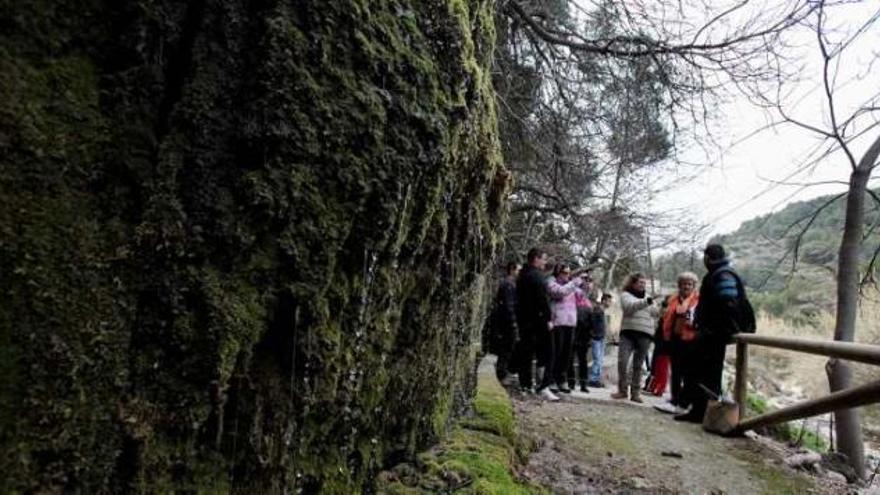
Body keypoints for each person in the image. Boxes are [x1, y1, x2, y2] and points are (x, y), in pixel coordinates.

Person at [675, 244, 750, 423]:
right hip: (711, 333)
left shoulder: (723, 275)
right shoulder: (718, 274)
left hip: (714, 334)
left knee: (707, 372)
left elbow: (728, 303)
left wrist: (718, 330)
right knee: (701, 371)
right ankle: (699, 411)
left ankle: (702, 412)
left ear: (708, 257)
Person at [514, 248, 557, 401]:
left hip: (524, 321)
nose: (545, 262)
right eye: (543, 259)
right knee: (547, 353)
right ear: (536, 259)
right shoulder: (537, 277)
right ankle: (543, 386)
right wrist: (548, 320)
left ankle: (525, 385)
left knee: (526, 353)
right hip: (538, 322)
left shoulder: (521, 275)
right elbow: (542, 301)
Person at [653, 273, 699, 415]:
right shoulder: (673, 299)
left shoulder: (698, 301)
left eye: (689, 284)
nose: (686, 286)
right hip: (673, 338)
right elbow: (665, 317)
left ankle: (685, 402)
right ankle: (675, 399)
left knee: (688, 372)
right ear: (679, 285)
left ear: (693, 286)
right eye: (684, 283)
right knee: (676, 371)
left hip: (690, 339)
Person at [612, 273, 659, 403]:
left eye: (644, 283)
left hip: (645, 334)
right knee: (623, 362)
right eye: (640, 282)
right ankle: (622, 390)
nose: (643, 285)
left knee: (638, 366)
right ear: (632, 283)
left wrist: (661, 306)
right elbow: (629, 307)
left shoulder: (649, 298)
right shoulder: (626, 295)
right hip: (627, 333)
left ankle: (635, 393)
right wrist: (647, 301)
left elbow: (655, 313)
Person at [547, 264, 587, 394]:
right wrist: (574, 283)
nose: (567, 275)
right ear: (558, 272)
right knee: (556, 352)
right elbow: (559, 292)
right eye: (564, 272)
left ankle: (561, 379)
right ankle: (551, 379)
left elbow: (581, 297)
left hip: (570, 323)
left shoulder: (571, 285)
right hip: (557, 322)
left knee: (566, 354)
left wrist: (584, 284)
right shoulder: (551, 283)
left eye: (569, 273)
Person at [490, 261, 520, 384]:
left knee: (508, 347)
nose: (520, 273)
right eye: (518, 270)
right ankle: (502, 374)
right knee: (506, 348)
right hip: (506, 322)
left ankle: (504, 372)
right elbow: (508, 305)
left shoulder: (510, 284)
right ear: (512, 270)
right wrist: (513, 321)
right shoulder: (508, 284)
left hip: (505, 321)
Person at [569, 291, 593, 392]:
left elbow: (591, 325)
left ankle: (572, 382)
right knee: (581, 361)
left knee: (572, 360)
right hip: (582, 338)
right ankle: (582, 384)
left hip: (577, 337)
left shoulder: (573, 306)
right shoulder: (588, 307)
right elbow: (591, 325)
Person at [588, 293, 612, 388]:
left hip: (601, 338)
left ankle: (597, 378)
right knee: (597, 359)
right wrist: (593, 334)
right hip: (596, 338)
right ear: (604, 301)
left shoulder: (602, 311)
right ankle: (593, 379)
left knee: (600, 359)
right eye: (609, 301)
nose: (610, 303)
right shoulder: (598, 310)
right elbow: (592, 323)